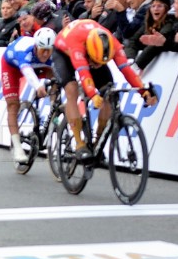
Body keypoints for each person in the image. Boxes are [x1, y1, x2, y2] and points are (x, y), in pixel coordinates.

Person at [53, 19, 157, 159]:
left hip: (92, 50)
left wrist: (143, 91)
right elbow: (84, 74)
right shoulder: (77, 45)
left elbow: (127, 71)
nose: (95, 65)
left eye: (99, 63)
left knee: (108, 92)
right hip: (63, 52)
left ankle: (98, 142)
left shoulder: (113, 44)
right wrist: (93, 94)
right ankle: (79, 145)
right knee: (72, 90)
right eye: (94, 62)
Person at [1, 27, 57, 164]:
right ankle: (17, 147)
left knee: (57, 77)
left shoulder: (52, 54)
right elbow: (27, 72)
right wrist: (38, 86)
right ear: (36, 45)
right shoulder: (24, 51)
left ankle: (54, 109)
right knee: (13, 104)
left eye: (49, 50)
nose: (45, 53)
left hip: (36, 66)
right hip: (12, 67)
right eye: (42, 49)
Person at [124, 0, 177, 71]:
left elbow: (156, 42)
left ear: (166, 9)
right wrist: (130, 58)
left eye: (159, 6)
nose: (156, 9)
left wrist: (137, 65)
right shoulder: (147, 24)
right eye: (153, 6)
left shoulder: (170, 23)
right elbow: (133, 41)